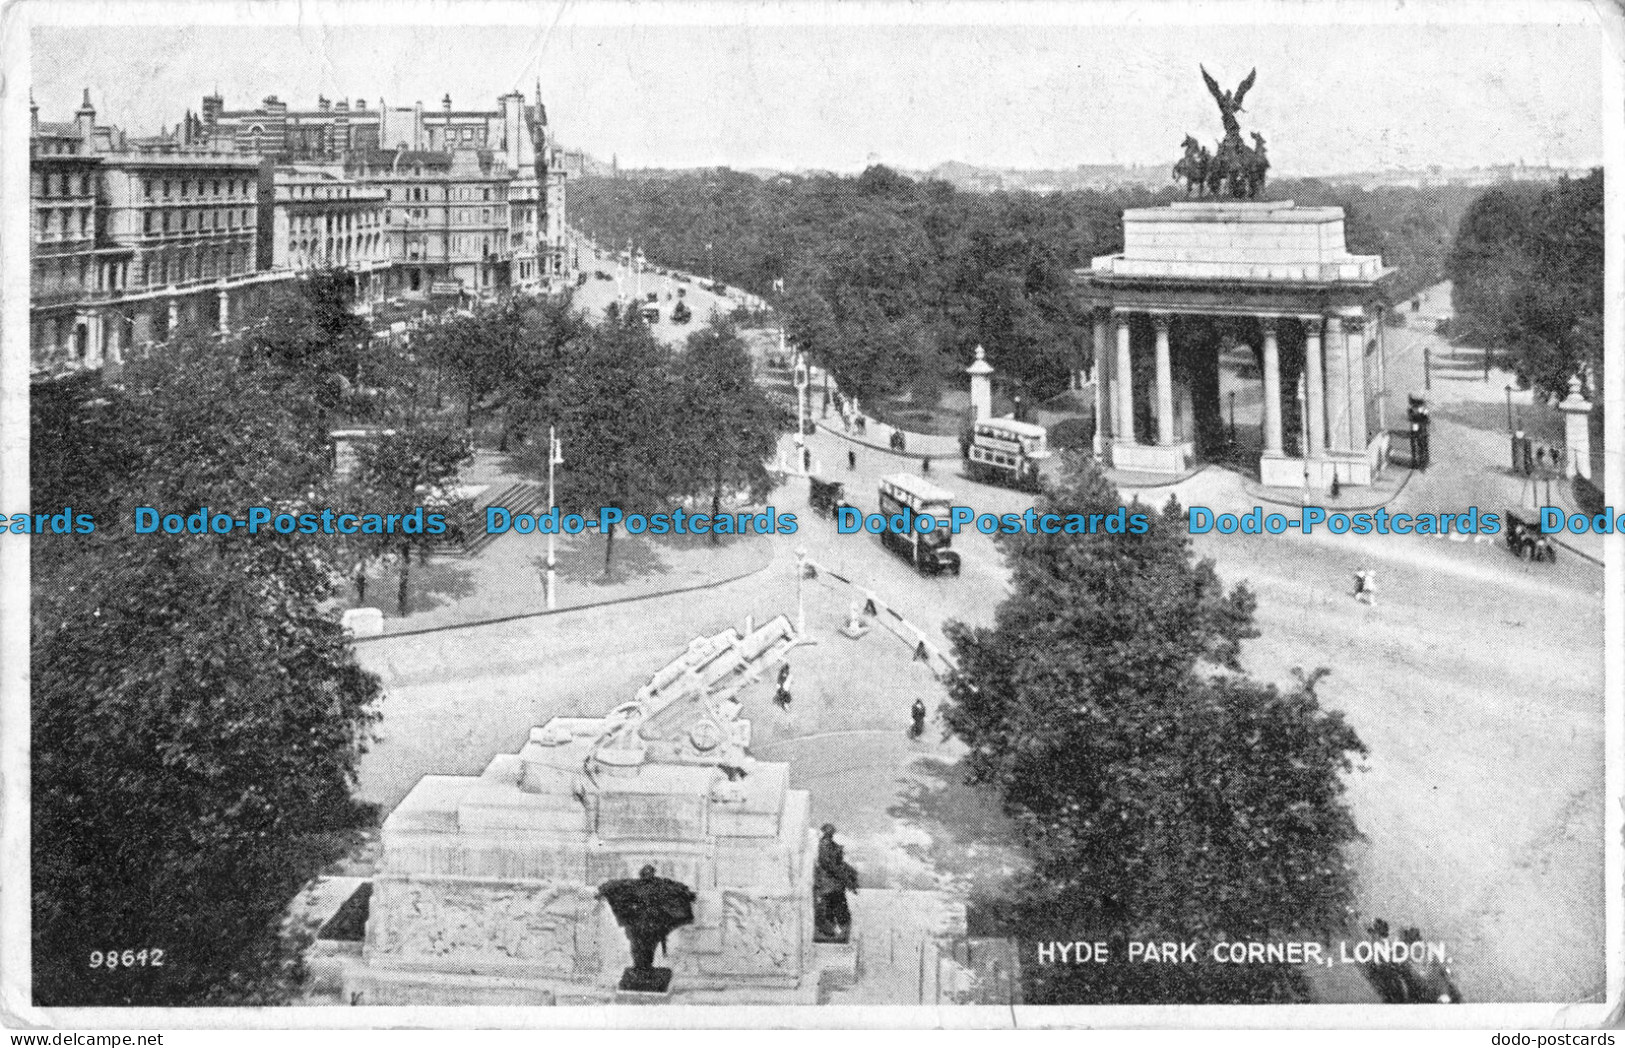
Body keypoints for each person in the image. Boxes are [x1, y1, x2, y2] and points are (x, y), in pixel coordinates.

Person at [597, 865, 697, 973]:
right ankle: (639, 967)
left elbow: (676, 888)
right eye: (645, 872)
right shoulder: (634, 884)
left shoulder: (660, 884)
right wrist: (603, 891)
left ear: (653, 873)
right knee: (637, 945)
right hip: (637, 922)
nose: (647, 874)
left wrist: (687, 894)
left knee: (650, 945)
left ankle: (646, 968)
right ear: (641, 874)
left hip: (653, 922)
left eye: (649, 872)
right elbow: (615, 885)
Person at [813, 824, 858, 941]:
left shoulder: (830, 845)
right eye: (827, 833)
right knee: (831, 909)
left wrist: (849, 875)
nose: (829, 835)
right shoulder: (824, 845)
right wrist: (847, 879)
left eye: (831, 833)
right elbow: (829, 864)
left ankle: (838, 933)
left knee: (839, 909)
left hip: (833, 885)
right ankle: (831, 934)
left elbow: (837, 864)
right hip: (827, 884)